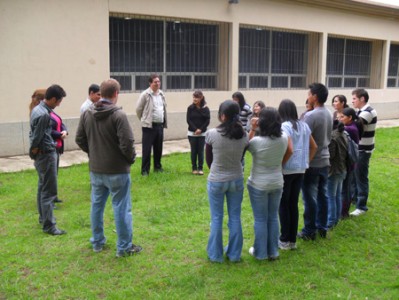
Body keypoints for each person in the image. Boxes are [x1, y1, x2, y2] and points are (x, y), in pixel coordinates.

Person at [76, 78, 142, 257]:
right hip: (117, 171)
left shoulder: (87, 113)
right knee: (121, 208)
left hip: (96, 170)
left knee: (96, 206)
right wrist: (130, 159)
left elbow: (79, 139)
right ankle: (124, 248)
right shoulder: (118, 115)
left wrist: (94, 154)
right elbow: (127, 143)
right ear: (115, 94)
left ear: (101, 93)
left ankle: (97, 242)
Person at [205, 100, 248, 263]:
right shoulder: (243, 135)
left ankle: (215, 255)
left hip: (217, 180)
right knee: (235, 217)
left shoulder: (212, 134)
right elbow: (242, 157)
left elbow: (208, 160)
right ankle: (234, 254)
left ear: (222, 115)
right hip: (236, 179)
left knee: (216, 218)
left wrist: (217, 171)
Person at [247, 107, 293, 260]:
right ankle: (273, 252)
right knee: (273, 217)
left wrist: (252, 129)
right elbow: (290, 150)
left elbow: (245, 145)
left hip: (258, 184)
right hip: (277, 182)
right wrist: (280, 164)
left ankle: (260, 253)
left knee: (260, 219)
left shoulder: (257, 142)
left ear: (262, 122)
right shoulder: (284, 137)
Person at [277, 99, 317, 250]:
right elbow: (314, 146)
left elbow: (289, 149)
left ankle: (284, 239)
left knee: (283, 204)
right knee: (293, 204)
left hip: (287, 170)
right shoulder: (304, 125)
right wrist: (306, 161)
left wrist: (281, 163)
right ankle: (292, 240)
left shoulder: (284, 126)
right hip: (300, 169)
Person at [29, 84, 67, 235]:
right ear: (52, 99)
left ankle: (43, 218)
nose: (59, 104)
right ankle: (49, 226)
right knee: (49, 191)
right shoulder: (44, 114)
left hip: (42, 154)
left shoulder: (37, 109)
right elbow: (37, 137)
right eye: (58, 101)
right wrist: (35, 152)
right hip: (46, 154)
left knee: (42, 186)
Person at [298, 83, 332, 241]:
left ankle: (309, 230)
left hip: (312, 162)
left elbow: (301, 137)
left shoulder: (311, 116)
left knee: (310, 197)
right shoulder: (329, 113)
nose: (308, 97)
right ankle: (322, 227)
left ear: (315, 97)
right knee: (322, 195)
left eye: (309, 94)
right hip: (325, 160)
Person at [350, 88, 377, 216]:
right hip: (360, 148)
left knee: (361, 177)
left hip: (363, 150)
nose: (352, 101)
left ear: (362, 99)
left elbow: (355, 125)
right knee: (355, 175)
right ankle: (355, 200)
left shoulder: (368, 112)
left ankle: (361, 206)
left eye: (354, 98)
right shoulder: (360, 111)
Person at [136, 74, 167, 176]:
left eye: (159, 81)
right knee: (147, 149)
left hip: (159, 125)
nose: (158, 84)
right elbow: (138, 109)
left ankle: (158, 167)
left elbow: (163, 109)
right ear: (150, 83)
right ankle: (145, 171)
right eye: (155, 82)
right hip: (149, 126)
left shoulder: (162, 94)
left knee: (158, 148)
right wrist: (144, 120)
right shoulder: (145, 94)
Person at [339, 107, 362, 218]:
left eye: (342, 117)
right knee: (345, 188)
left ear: (350, 118)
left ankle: (344, 212)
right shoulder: (351, 126)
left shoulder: (349, 129)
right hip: (350, 162)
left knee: (345, 189)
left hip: (349, 163)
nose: (340, 119)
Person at [326, 122, 348, 229]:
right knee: (338, 195)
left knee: (331, 196)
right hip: (343, 169)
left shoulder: (332, 137)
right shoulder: (343, 134)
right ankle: (336, 219)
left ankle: (330, 221)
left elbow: (331, 155)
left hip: (334, 171)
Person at [186, 90, 210, 175]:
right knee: (194, 151)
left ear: (201, 98)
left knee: (200, 151)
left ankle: (200, 168)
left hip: (202, 133)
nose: (195, 99)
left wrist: (200, 129)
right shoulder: (190, 108)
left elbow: (207, 120)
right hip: (192, 133)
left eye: (197, 97)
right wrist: (195, 129)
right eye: (194, 97)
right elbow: (188, 120)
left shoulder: (205, 108)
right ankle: (194, 168)